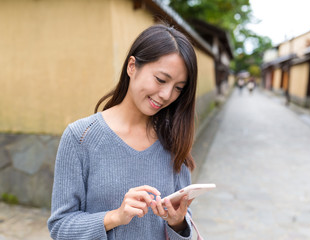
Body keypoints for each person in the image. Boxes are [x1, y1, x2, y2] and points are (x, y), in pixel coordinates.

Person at [47, 24, 198, 240]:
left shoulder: (175, 140)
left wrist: (178, 222)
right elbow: (60, 227)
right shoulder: (80, 136)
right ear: (132, 66)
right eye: (161, 80)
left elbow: (186, 226)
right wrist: (115, 217)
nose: (166, 94)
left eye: (178, 88)